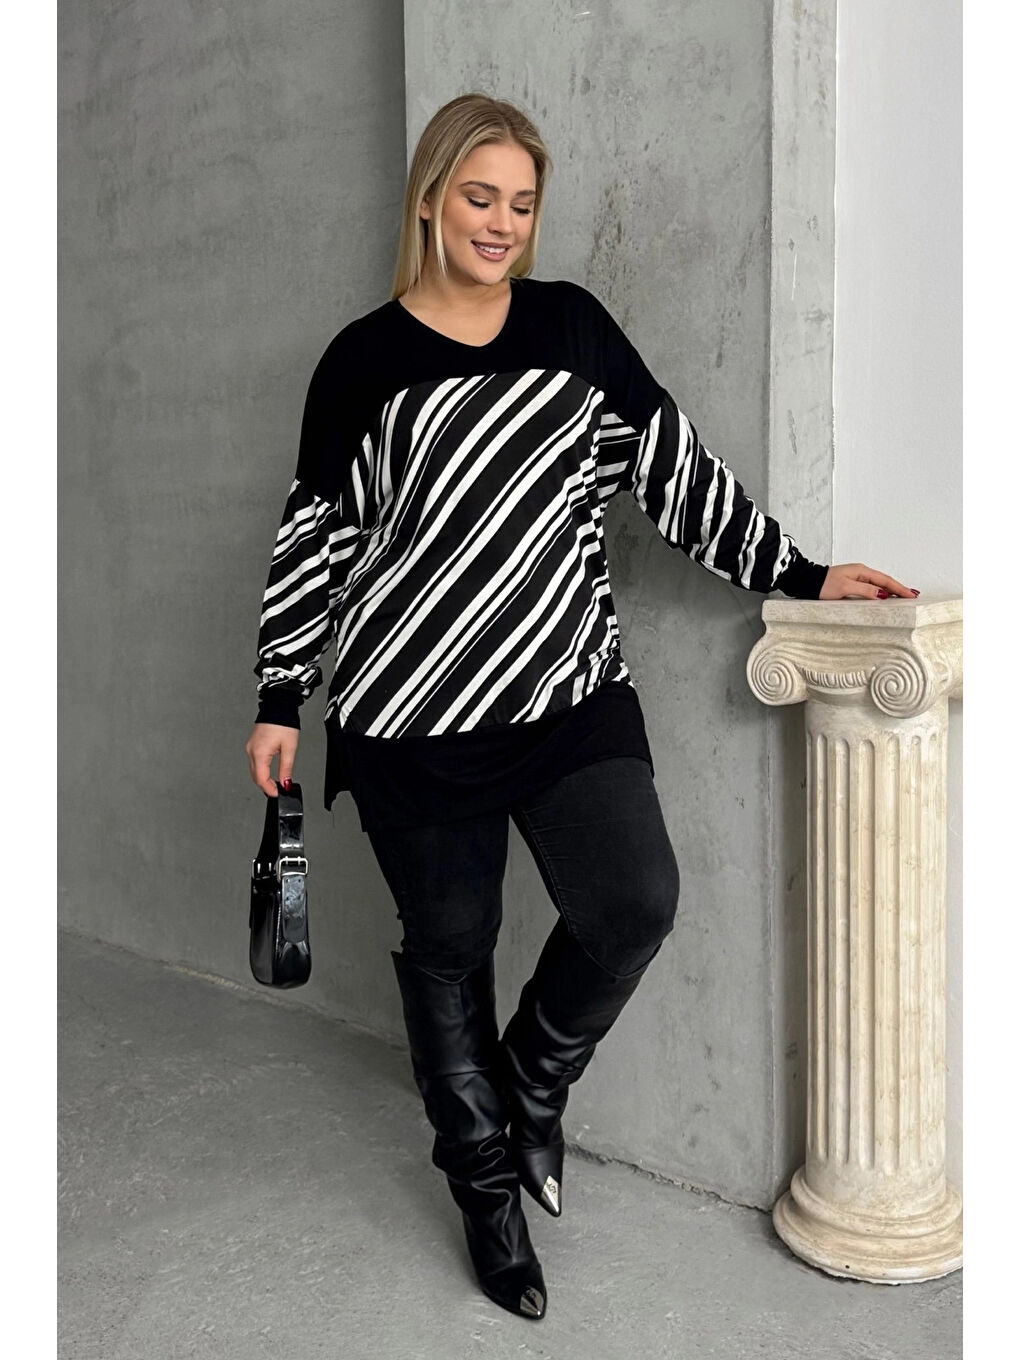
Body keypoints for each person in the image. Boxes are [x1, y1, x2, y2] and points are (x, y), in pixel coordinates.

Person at [244, 93, 916, 1322]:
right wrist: (281, 696)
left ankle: (529, 1090)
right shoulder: (361, 361)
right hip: (412, 714)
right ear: (430, 201)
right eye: (479, 196)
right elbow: (317, 540)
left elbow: (675, 471)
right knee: (450, 949)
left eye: (521, 202)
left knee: (633, 900)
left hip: (567, 694)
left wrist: (803, 572)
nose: (501, 222)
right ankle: (485, 1190)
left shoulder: (572, 329)